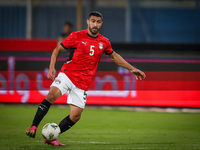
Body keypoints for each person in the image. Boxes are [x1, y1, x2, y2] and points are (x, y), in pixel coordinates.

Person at [26, 11, 146, 146]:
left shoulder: (104, 42)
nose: (95, 24)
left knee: (76, 116)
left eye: (98, 22)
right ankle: (33, 126)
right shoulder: (76, 36)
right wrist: (52, 66)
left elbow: (114, 56)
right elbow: (57, 50)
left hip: (83, 83)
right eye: (93, 21)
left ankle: (52, 136)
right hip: (67, 74)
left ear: (101, 24)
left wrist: (132, 69)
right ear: (88, 22)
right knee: (51, 95)